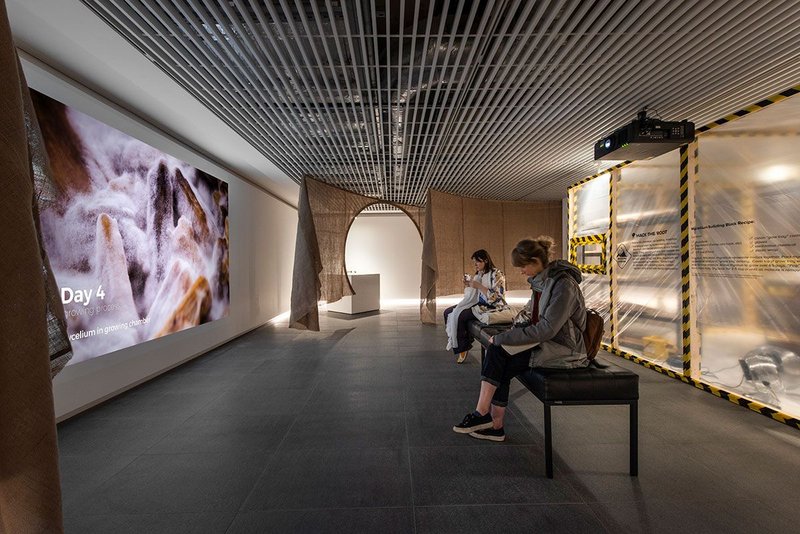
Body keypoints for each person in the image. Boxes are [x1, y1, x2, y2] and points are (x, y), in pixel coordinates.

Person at [452, 236, 589, 442]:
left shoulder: (563, 286)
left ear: (535, 262)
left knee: (499, 355)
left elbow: (546, 329)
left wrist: (504, 337)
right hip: (546, 342)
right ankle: (491, 423)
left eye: (523, 266)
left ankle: (486, 418)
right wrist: (508, 334)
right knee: (498, 353)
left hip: (564, 349)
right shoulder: (542, 282)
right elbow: (530, 315)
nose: (521, 271)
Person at [443, 249, 509, 364]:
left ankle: (463, 347)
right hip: (478, 303)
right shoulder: (480, 274)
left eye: (477, 262)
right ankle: (460, 340)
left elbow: (497, 298)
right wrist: (469, 284)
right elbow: (474, 293)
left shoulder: (496, 274)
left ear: (486, 260)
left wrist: (478, 286)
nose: (475, 265)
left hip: (491, 306)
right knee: (448, 312)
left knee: (460, 315)